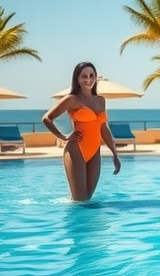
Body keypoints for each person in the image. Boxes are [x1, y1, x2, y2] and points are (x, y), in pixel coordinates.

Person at [41, 61, 121, 202]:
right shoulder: (72, 99)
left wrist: (115, 154)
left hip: (94, 151)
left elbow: (104, 128)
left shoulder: (101, 100)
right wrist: (63, 137)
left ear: (96, 78)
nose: (88, 79)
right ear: (77, 78)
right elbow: (47, 119)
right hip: (76, 150)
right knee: (80, 202)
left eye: (91, 75)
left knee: (87, 200)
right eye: (84, 76)